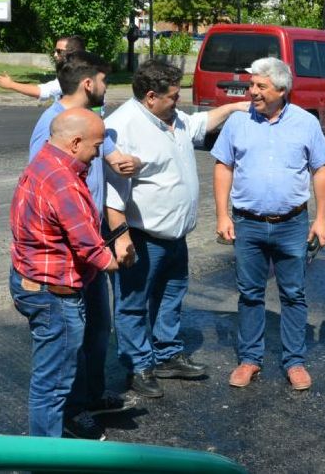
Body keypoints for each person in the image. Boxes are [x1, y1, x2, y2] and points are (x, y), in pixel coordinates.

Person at [105, 60, 248, 399]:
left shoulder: (173, 118)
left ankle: (166, 353)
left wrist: (236, 106)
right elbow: (110, 190)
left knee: (171, 295)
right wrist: (120, 235)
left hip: (174, 236)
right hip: (141, 236)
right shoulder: (121, 126)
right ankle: (138, 365)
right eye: (173, 96)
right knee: (132, 303)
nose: (178, 101)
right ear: (151, 96)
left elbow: (202, 121)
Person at [27, 51, 140, 440]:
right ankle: (63, 428)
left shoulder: (85, 132)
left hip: (80, 249)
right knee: (60, 361)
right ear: (89, 82)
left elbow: (105, 159)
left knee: (92, 333)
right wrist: (115, 257)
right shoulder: (54, 137)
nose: (97, 154)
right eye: (105, 81)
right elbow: (49, 196)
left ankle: (85, 399)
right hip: (64, 261)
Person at [212, 57, 325, 391]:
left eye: (260, 86)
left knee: (292, 294)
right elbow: (224, 166)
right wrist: (222, 214)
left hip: (292, 224)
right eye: (252, 85)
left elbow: (320, 168)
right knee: (249, 294)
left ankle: (294, 361)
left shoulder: (306, 123)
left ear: (282, 89)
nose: (252, 91)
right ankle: (250, 359)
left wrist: (322, 217)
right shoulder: (238, 122)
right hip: (247, 224)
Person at [10, 108, 119, 438]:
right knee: (52, 385)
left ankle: (58, 436)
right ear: (75, 142)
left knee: (54, 378)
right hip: (53, 294)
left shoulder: (46, 159)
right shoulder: (63, 183)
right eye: (96, 145)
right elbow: (92, 250)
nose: (98, 152)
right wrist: (120, 260)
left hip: (34, 281)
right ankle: (45, 460)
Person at [0, 35, 85, 101]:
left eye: (59, 51)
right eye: (55, 51)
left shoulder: (73, 76)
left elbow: (42, 91)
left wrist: (11, 84)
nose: (55, 55)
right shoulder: (78, 70)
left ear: (73, 53)